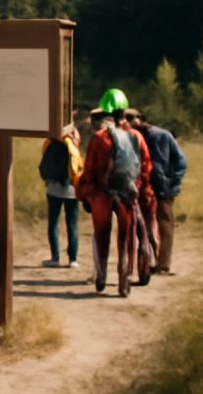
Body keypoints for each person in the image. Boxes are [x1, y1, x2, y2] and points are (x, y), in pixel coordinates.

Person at [76, 88, 156, 297]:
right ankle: (125, 280)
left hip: (101, 195)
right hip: (127, 195)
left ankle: (101, 274)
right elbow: (146, 168)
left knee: (101, 235)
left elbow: (90, 169)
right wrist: (141, 190)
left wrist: (85, 194)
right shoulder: (136, 137)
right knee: (127, 238)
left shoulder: (100, 138)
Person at [126, 109, 186, 275]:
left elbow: (181, 161)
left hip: (161, 189)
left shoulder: (162, 135)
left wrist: (172, 182)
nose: (129, 122)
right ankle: (149, 261)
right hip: (141, 188)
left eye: (131, 118)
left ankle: (163, 265)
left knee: (165, 225)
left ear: (140, 118)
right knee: (144, 226)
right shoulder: (131, 137)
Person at [38, 125, 83, 268]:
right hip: (72, 190)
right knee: (72, 224)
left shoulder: (51, 143)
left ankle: (55, 258)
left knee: (53, 223)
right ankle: (73, 259)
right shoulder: (72, 145)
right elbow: (78, 167)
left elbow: (44, 166)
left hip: (53, 188)